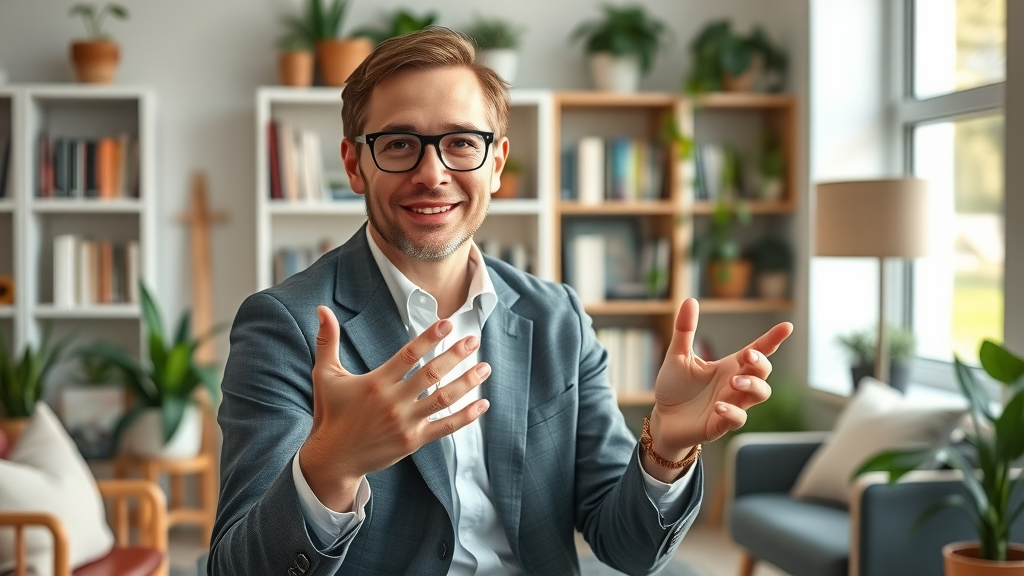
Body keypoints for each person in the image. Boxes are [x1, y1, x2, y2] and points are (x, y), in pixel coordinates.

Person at [209, 27, 793, 576]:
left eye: (462, 142)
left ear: (497, 162)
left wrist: (666, 447)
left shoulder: (557, 316)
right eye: (399, 144)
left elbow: (629, 549)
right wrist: (331, 465)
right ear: (354, 164)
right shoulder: (285, 326)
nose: (432, 173)